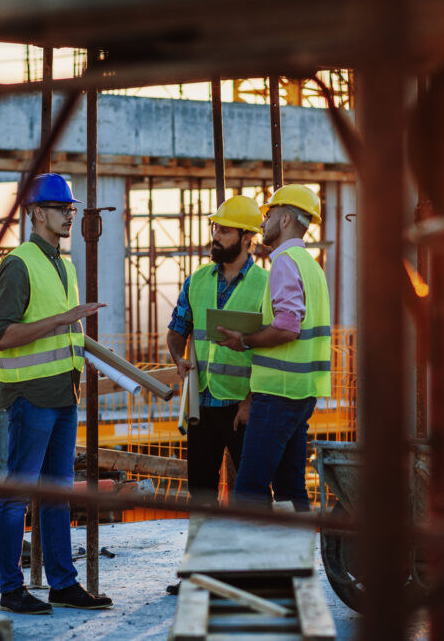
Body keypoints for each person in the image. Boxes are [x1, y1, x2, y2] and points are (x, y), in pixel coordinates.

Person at [0, 173, 112, 615]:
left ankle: (63, 583)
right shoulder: (19, 263)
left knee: (60, 492)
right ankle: (11, 590)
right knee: (16, 496)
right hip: (29, 397)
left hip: (64, 394)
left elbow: (66, 329)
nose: (69, 216)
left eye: (71, 210)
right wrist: (64, 320)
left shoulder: (65, 263)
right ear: (37, 212)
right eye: (63, 210)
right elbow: (3, 335)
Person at [164, 195, 269, 594]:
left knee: (254, 493)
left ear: (246, 238)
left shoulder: (264, 285)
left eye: (223, 230)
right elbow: (177, 330)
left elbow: (272, 349)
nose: (215, 236)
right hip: (203, 403)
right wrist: (179, 357)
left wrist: (250, 402)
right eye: (214, 228)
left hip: (244, 405)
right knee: (201, 490)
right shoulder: (198, 281)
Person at [216, 185, 331, 512]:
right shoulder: (311, 266)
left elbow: (287, 327)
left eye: (267, 216)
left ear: (284, 220)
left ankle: (255, 561)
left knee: (250, 487)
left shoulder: (283, 262)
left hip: (279, 393)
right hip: (302, 393)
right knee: (290, 487)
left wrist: (245, 340)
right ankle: (293, 558)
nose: (262, 222)